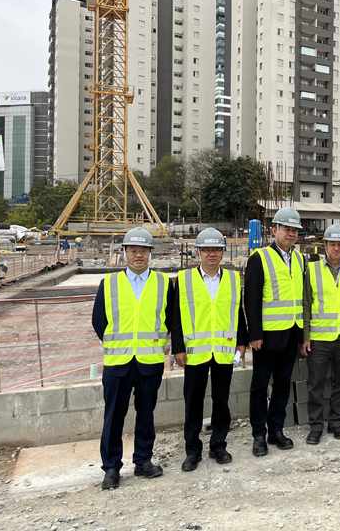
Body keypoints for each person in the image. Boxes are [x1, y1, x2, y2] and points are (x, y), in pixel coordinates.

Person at [91, 228, 174, 490]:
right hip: (118, 362)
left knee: (146, 414)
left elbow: (170, 318)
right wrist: (116, 343)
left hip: (149, 361)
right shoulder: (109, 283)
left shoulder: (163, 283)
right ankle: (111, 467)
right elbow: (99, 321)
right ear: (124, 252)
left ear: (151, 253)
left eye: (143, 251)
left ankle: (143, 461)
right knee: (113, 416)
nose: (138, 255)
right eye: (133, 250)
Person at [170, 228, 247, 471]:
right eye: (206, 250)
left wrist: (241, 342)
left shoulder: (233, 279)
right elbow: (176, 317)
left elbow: (238, 312)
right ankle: (193, 450)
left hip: (224, 350)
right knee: (193, 402)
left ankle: (218, 445)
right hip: (195, 351)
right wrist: (178, 348)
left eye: (216, 249)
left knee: (221, 400)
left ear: (223, 252)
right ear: (198, 252)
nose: (211, 254)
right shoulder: (184, 279)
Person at [244, 207, 305, 457]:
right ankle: (259, 434)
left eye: (294, 230)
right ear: (274, 230)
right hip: (267, 337)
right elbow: (251, 300)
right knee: (260, 387)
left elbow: (301, 299)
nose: (291, 234)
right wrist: (254, 334)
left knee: (282, 385)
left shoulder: (300, 259)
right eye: (286, 229)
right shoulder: (259, 257)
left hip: (291, 334)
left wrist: (302, 336)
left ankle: (276, 430)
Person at [301, 224, 340, 444]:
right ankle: (315, 426)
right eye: (332, 244)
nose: (336, 248)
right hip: (319, 339)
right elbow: (306, 304)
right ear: (324, 245)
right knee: (315, 384)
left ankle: (336, 423)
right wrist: (306, 336)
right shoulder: (313, 270)